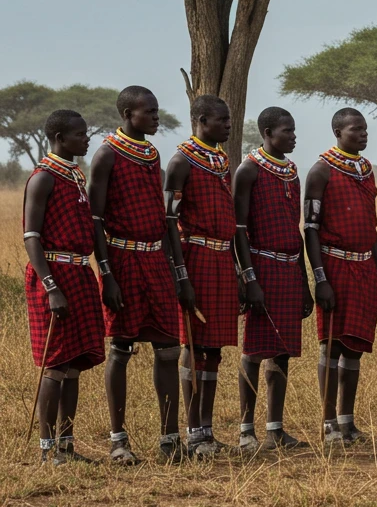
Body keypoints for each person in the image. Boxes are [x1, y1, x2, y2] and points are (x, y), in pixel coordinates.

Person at [89, 86, 194, 464]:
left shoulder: (152, 155)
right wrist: (108, 275)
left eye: (156, 110)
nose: (156, 116)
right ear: (127, 115)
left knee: (168, 349)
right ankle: (119, 441)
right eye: (148, 111)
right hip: (122, 259)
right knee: (120, 350)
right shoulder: (106, 156)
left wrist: (178, 273)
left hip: (156, 263)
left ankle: (170, 439)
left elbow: (167, 221)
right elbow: (96, 221)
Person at [23, 110, 106, 464]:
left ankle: (67, 445)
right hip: (53, 274)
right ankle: (47, 449)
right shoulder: (43, 178)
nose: (87, 139)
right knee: (55, 364)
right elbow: (31, 237)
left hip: (79, 272)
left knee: (73, 364)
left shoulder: (73, 176)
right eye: (80, 134)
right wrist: (51, 286)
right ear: (59, 137)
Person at [304, 108, 377, 445]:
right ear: (338, 132)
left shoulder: (365, 170)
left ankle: (347, 421)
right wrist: (320, 278)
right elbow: (310, 229)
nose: (364, 134)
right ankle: (327, 425)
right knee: (332, 344)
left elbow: (372, 229)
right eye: (357, 129)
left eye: (366, 129)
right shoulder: (321, 171)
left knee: (354, 346)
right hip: (335, 265)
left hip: (364, 265)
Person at [234, 106, 313, 453]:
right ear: (267, 132)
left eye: (294, 131)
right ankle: (246, 429)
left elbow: (295, 230)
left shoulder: (291, 171)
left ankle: (275, 429)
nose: (294, 136)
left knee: (281, 352)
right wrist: (248, 277)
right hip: (262, 265)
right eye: (287, 131)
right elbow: (239, 230)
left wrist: (305, 283)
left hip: (289, 267)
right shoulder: (248, 170)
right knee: (253, 350)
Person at [164, 95, 237, 458]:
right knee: (194, 348)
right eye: (222, 119)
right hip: (195, 257)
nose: (228, 124)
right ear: (201, 120)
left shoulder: (220, 160)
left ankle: (206, 428)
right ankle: (193, 432)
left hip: (222, 259)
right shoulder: (181, 162)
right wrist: (181, 276)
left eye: (229, 119)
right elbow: (169, 222)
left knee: (214, 348)